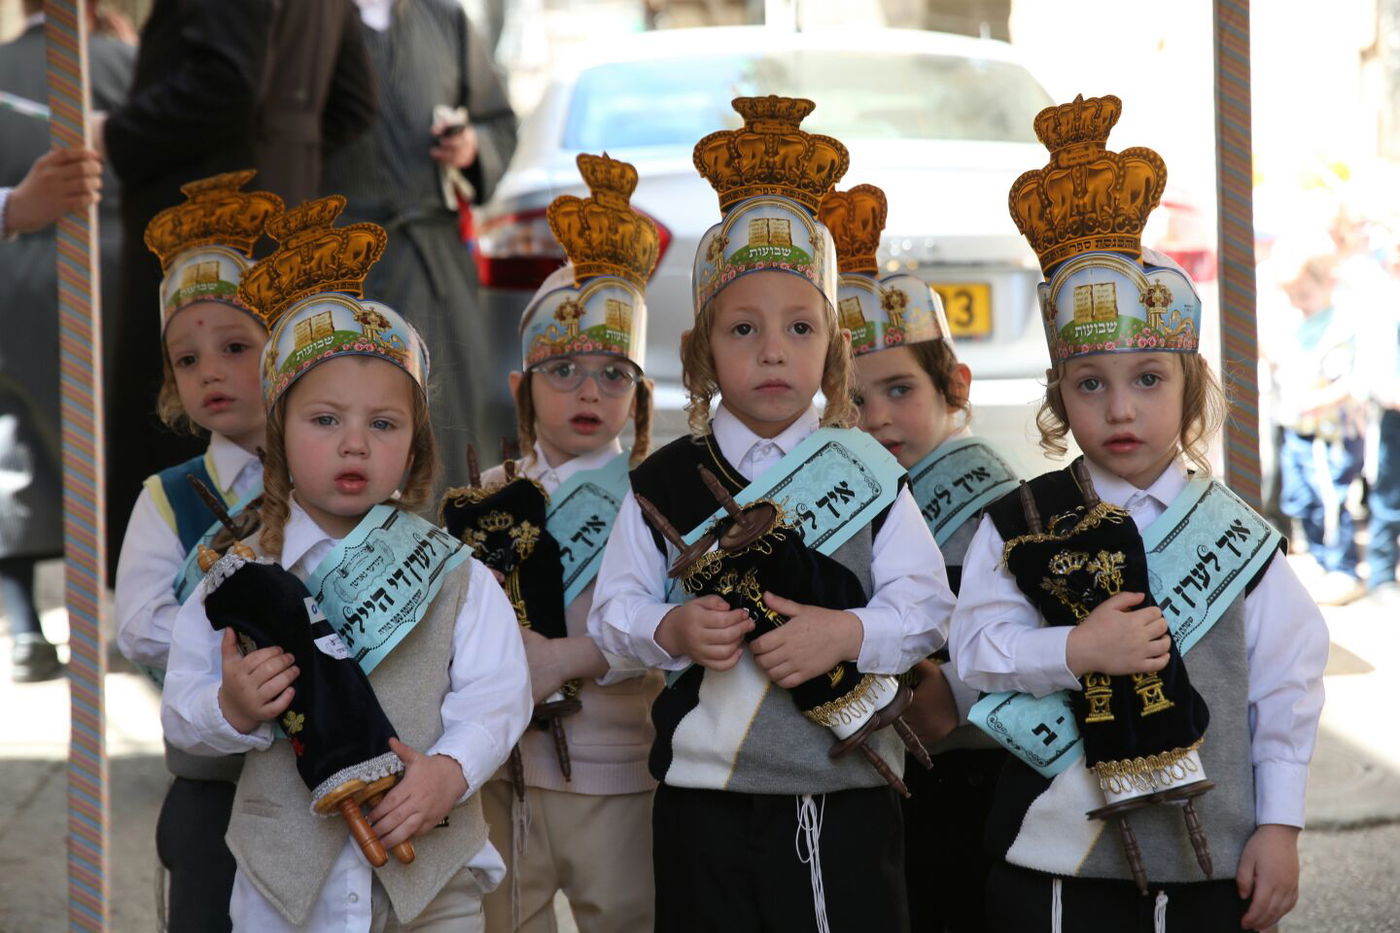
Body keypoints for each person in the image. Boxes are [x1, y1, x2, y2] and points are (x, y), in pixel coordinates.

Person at [952, 93, 1328, 933]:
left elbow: (1286, 683)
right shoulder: (1018, 522)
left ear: (1190, 386)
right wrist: (1078, 649)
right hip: (1054, 855)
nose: (1121, 409)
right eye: (1091, 383)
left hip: (1208, 859)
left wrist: (1281, 822)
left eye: (1148, 379)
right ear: (1060, 396)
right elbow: (974, 648)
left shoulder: (1239, 536)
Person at [588, 96, 955, 933]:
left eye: (799, 326)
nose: (772, 349)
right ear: (702, 351)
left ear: (832, 345)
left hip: (843, 786)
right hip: (702, 796)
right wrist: (672, 632)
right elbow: (614, 616)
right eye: (743, 328)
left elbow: (928, 607)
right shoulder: (663, 480)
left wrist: (847, 633)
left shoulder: (868, 471)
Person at [159, 200, 531, 931]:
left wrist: (451, 770)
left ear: (415, 444)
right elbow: (181, 709)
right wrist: (229, 708)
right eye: (325, 420)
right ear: (277, 431)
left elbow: (499, 693)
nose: (354, 444)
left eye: (383, 424)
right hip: (283, 892)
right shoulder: (233, 580)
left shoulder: (454, 572)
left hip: (434, 887)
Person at [101, 0, 378, 581]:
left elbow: (224, 82)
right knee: (276, 397)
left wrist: (116, 133)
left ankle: (192, 593)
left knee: (196, 403)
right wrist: (286, 159)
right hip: (284, 208)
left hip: (198, 219)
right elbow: (352, 106)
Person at [459, 153, 663, 933]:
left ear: (639, 397)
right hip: (503, 772)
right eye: (564, 369)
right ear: (521, 387)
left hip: (620, 769)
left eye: (614, 374)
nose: (588, 391)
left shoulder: (654, 499)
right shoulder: (485, 498)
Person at [829, 182, 1015, 932]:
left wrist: (959, 690)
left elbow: (1027, 617)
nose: (876, 417)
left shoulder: (997, 500)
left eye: (900, 389)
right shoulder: (841, 495)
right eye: (851, 397)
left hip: (976, 760)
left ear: (955, 387)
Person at [112, 171, 284, 931]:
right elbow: (138, 623)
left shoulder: (337, 480)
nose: (209, 371)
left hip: (323, 776)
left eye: (235, 346)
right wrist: (230, 649)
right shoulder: (169, 496)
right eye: (186, 359)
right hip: (213, 776)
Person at [325, 0, 519, 481]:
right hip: (338, 265)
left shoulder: (445, 18)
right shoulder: (308, 18)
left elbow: (498, 122)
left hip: (432, 259)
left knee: (447, 419)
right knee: (346, 416)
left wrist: (471, 145)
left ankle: (450, 541)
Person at [0, 0, 131, 682]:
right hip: (116, 269)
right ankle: (132, 620)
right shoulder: (129, 63)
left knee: (14, 440)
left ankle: (23, 627)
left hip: (14, 273)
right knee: (120, 444)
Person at [1268, 243, 1367, 605]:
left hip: (1329, 434)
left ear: (1326, 284)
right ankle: (1324, 563)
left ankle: (1342, 568)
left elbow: (1349, 381)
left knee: (1329, 501)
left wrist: (1316, 400)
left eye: (1304, 294)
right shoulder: (1299, 325)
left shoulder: (1341, 326)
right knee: (1302, 499)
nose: (1298, 302)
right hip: (1299, 430)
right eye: (1293, 296)